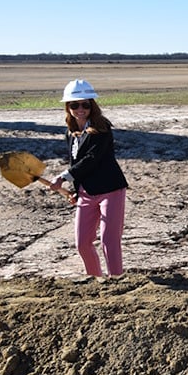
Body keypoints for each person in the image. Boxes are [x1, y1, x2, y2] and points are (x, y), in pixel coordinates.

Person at [48, 79, 128, 277]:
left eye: (85, 104)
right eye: (75, 105)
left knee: (109, 241)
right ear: (68, 107)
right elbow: (75, 161)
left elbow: (91, 159)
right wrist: (76, 189)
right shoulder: (71, 132)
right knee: (82, 242)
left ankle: (117, 280)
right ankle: (95, 279)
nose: (80, 109)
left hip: (111, 190)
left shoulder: (102, 129)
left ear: (92, 105)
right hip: (86, 192)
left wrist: (64, 177)